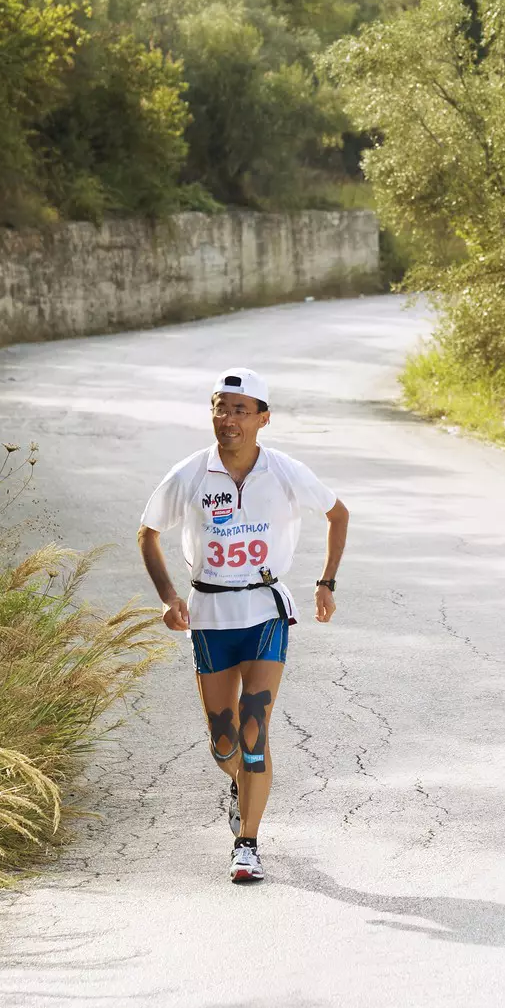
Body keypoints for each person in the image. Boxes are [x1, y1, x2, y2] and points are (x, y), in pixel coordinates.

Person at [137, 366, 348, 885]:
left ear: (262, 418)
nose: (227, 419)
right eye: (219, 407)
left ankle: (246, 844)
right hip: (210, 616)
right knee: (224, 744)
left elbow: (338, 514)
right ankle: (243, 786)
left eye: (239, 410)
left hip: (266, 611)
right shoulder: (190, 473)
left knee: (254, 735)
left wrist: (326, 583)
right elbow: (147, 534)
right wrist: (169, 598)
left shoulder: (283, 471)